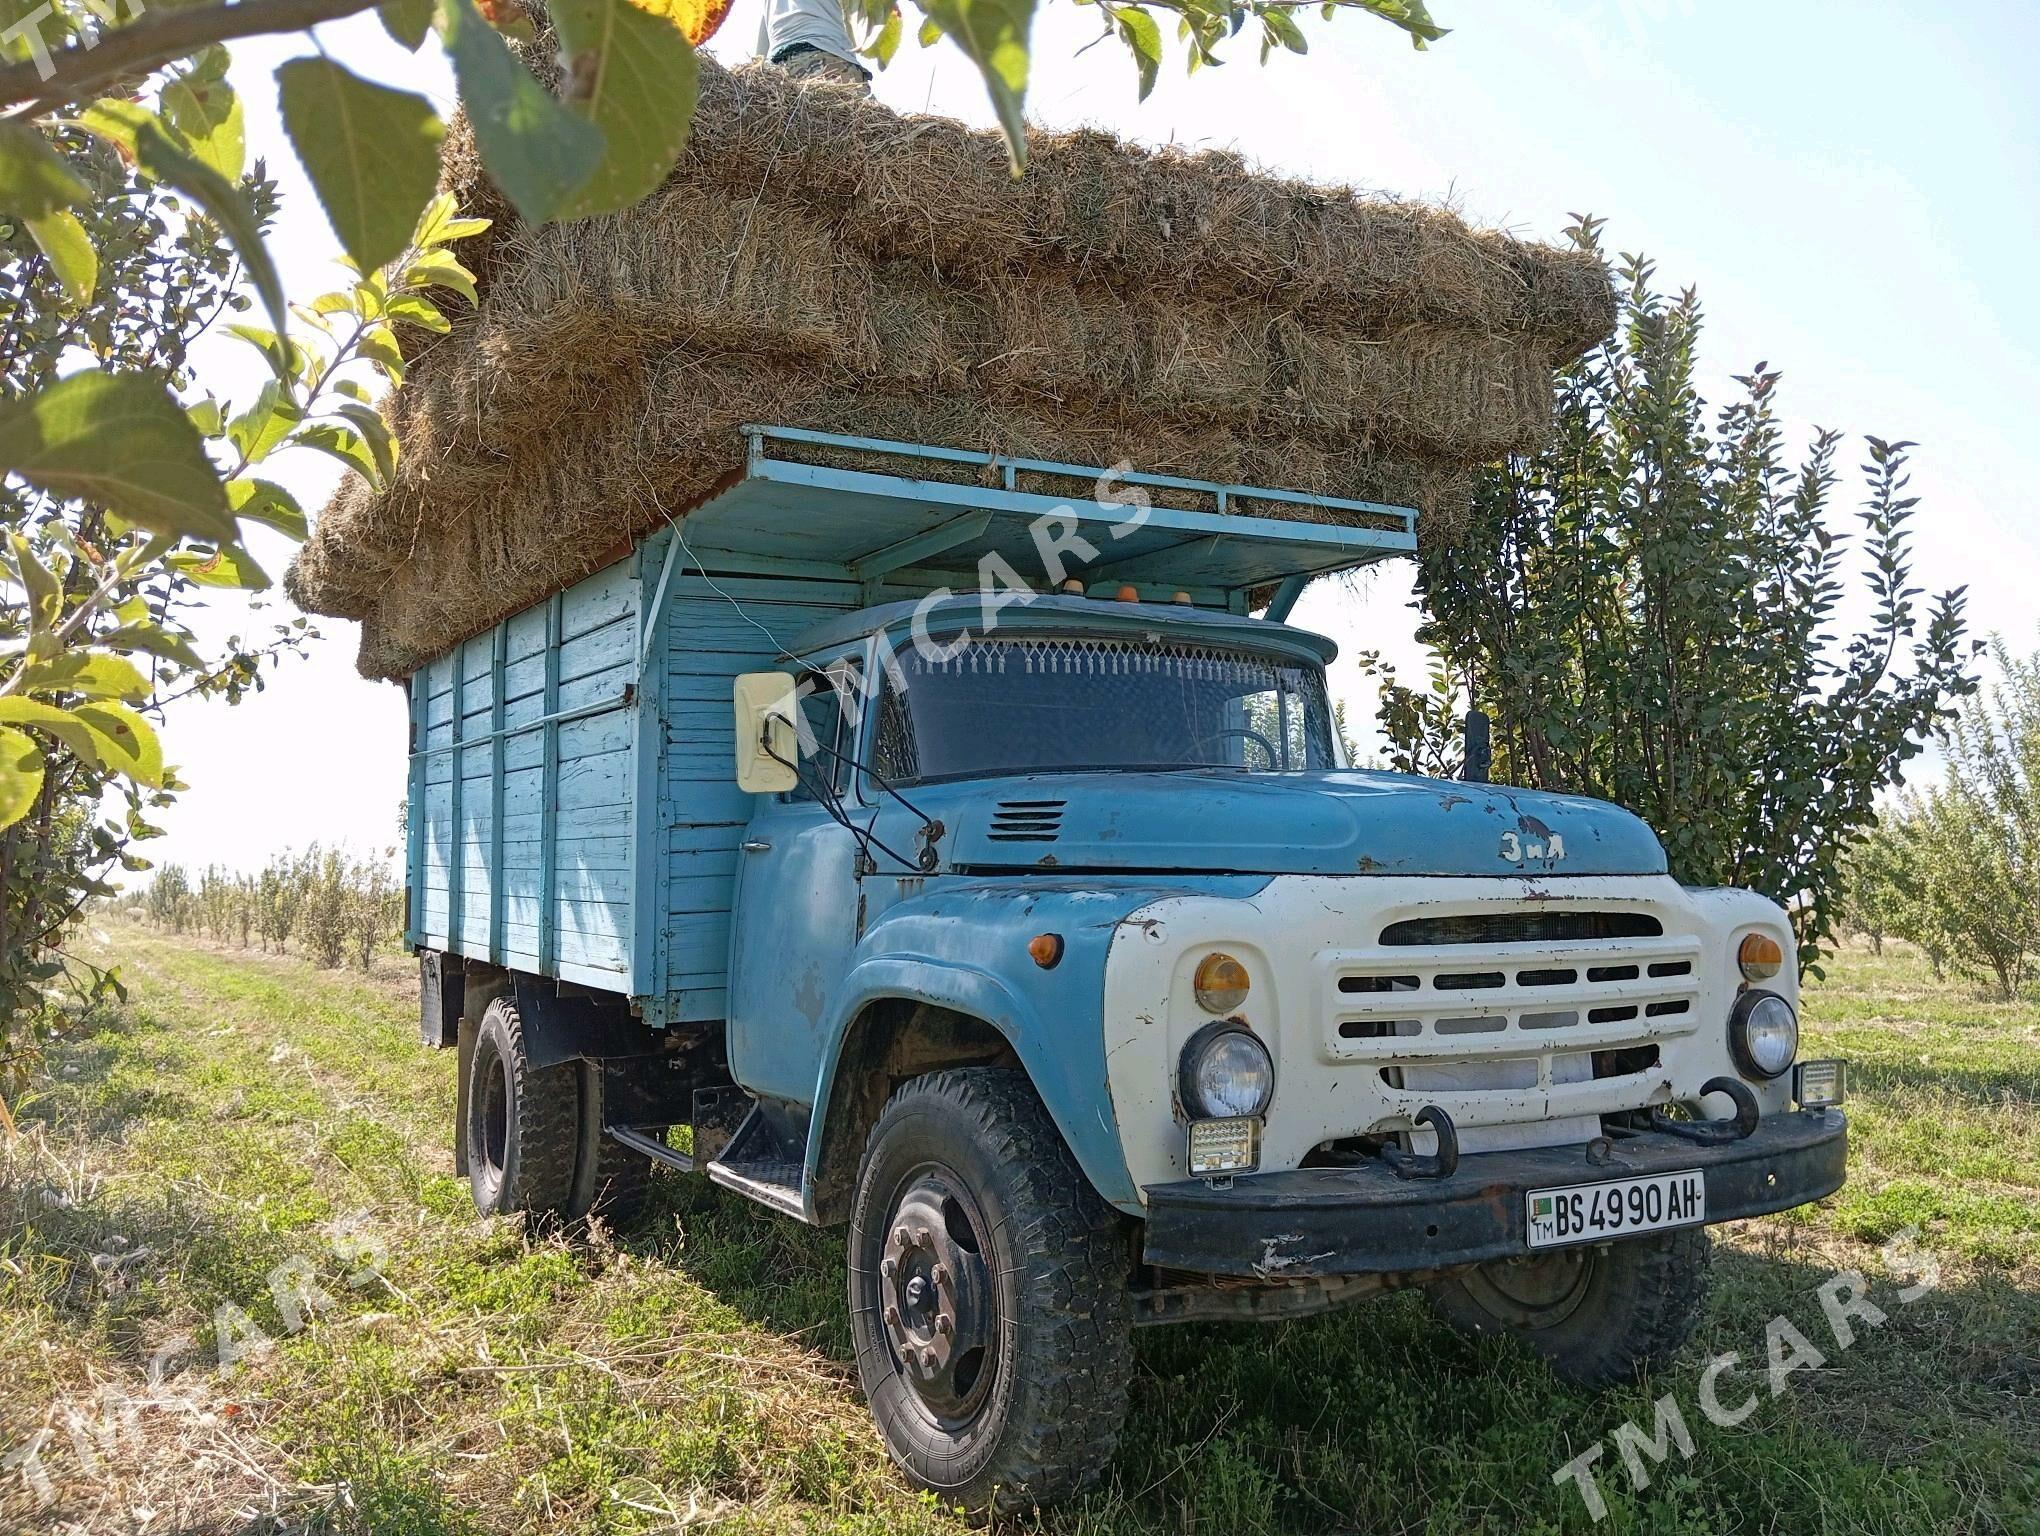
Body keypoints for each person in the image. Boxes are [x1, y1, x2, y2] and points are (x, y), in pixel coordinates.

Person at [759, 0, 872, 91]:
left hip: (778, 69)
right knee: (863, 116)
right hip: (826, 55)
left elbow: (764, 27)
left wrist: (757, 74)